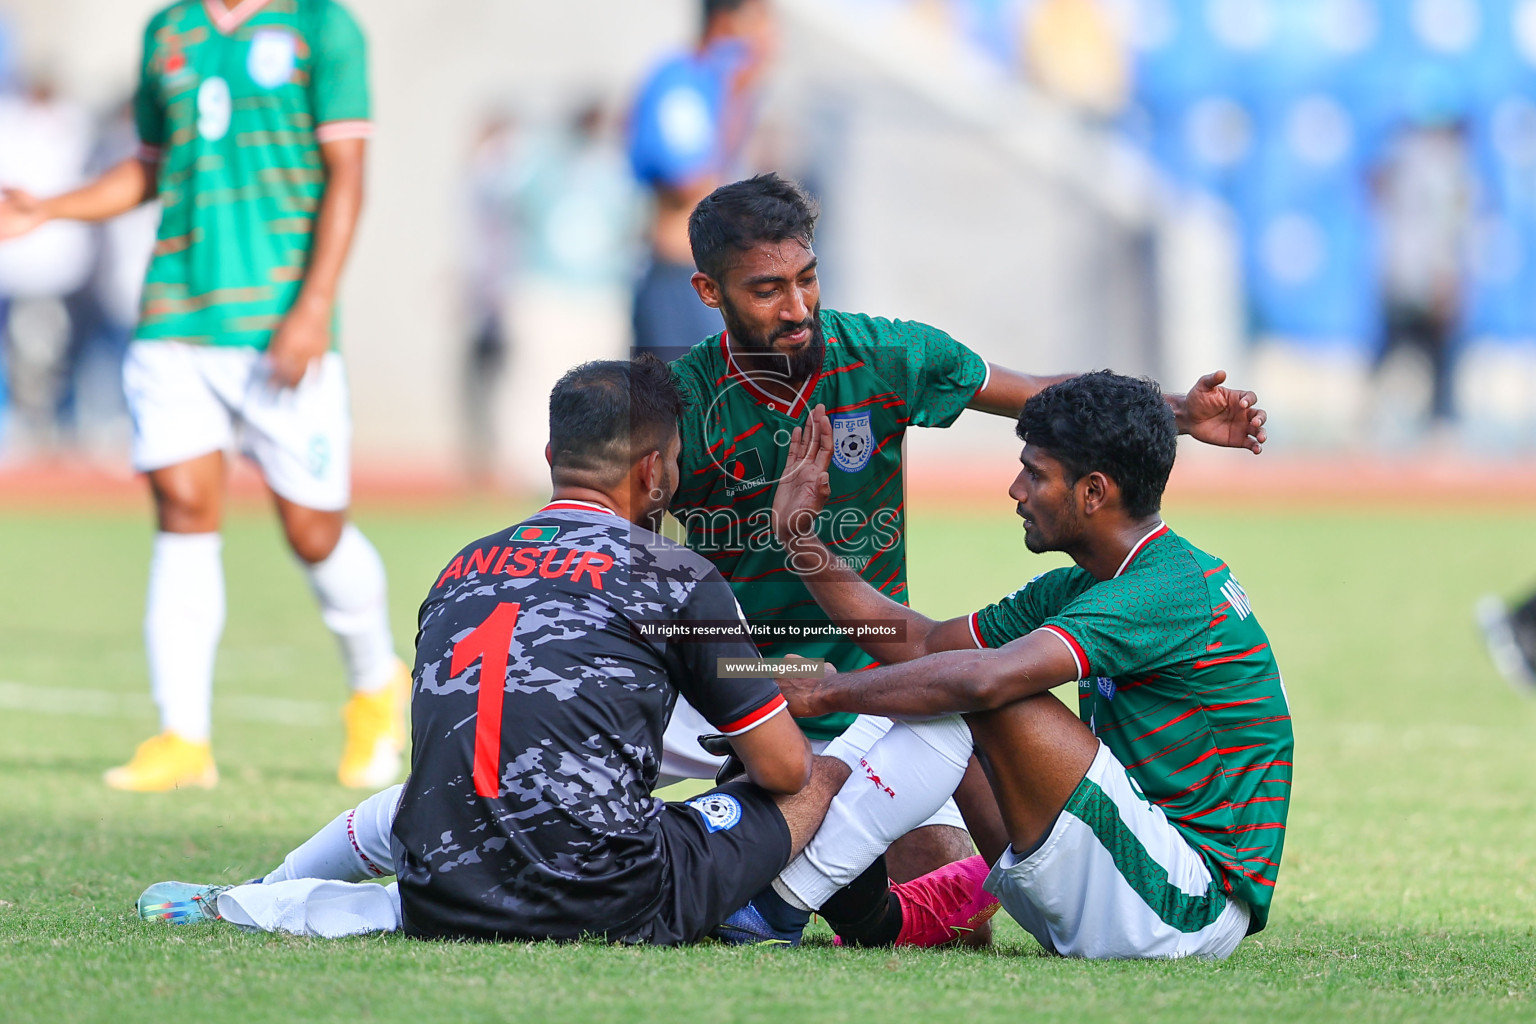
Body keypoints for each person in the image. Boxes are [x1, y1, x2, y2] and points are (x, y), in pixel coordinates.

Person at [658, 173, 1269, 908]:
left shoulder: (888, 356)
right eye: (767, 290)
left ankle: (771, 860)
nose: (798, 308)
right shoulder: (678, 404)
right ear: (708, 291)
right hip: (725, 678)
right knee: (589, 736)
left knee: (953, 915)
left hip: (873, 678)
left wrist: (1177, 411)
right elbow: (623, 554)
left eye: (808, 279)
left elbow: (1046, 397)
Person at [137, 357, 847, 945]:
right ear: (654, 470)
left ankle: (265, 892)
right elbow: (783, 767)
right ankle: (770, 916)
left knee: (462, 783)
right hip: (610, 901)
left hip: (443, 893)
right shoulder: (676, 576)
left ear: (550, 458)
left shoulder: (460, 567)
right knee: (824, 769)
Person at [718, 372, 1293, 959]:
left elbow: (977, 678)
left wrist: (825, 695)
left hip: (1187, 908)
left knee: (977, 689)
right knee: (947, 682)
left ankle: (776, 900)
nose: (1016, 489)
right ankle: (825, 884)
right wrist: (803, 544)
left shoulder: (1164, 587)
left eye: (1036, 473)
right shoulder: (1089, 583)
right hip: (1127, 879)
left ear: (1093, 492)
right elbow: (925, 646)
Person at [0, 0, 407, 791]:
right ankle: (182, 737)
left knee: (313, 532)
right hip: (174, 315)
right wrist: (50, 207)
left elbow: (348, 175)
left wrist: (314, 305)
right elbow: (154, 164)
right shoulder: (169, 29)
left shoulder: (323, 26)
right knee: (183, 511)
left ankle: (373, 682)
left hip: (279, 318)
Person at [627, 0, 776, 361]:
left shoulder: (724, 88)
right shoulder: (682, 82)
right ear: (727, 23)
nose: (772, 35)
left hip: (715, 281)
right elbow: (687, 179)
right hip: (679, 281)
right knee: (674, 411)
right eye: (761, 20)